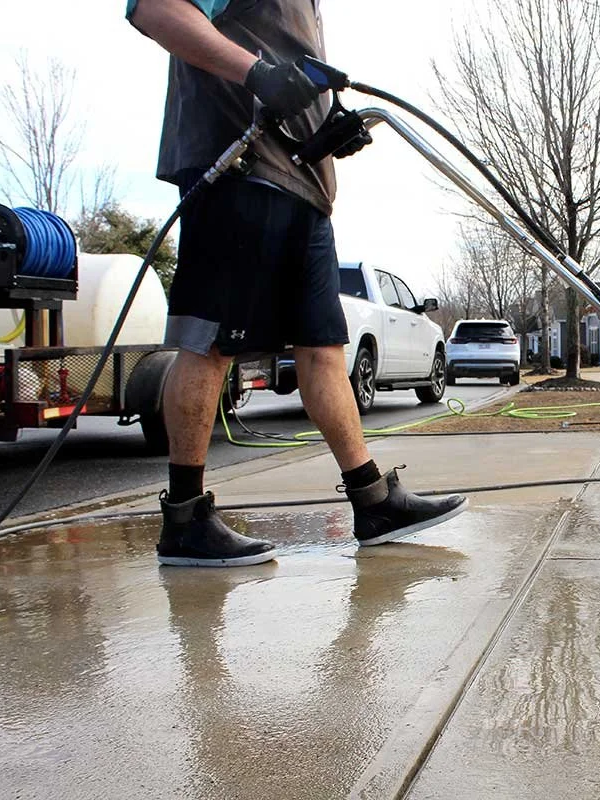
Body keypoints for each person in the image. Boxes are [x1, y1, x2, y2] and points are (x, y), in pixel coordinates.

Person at [126, 0, 467, 567]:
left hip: (303, 186)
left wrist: (328, 129)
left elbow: (290, 73)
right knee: (210, 343)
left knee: (323, 348)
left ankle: (372, 500)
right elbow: (156, 11)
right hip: (235, 170)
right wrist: (256, 73)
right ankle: (184, 519)